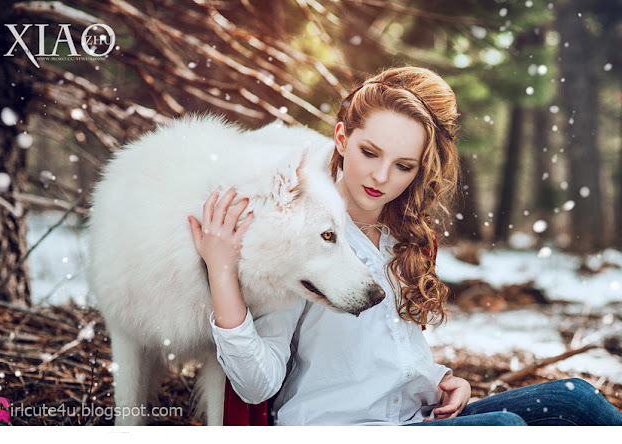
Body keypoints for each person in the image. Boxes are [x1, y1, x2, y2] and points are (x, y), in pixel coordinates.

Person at [187, 66, 622, 426]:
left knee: (578, 399)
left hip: (414, 420)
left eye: (402, 166)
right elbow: (256, 385)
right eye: (369, 152)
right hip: (338, 426)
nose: (380, 177)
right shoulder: (303, 233)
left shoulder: (408, 239)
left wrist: (442, 379)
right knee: (505, 429)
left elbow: (388, 352)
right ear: (341, 138)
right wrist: (222, 274)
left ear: (418, 170)